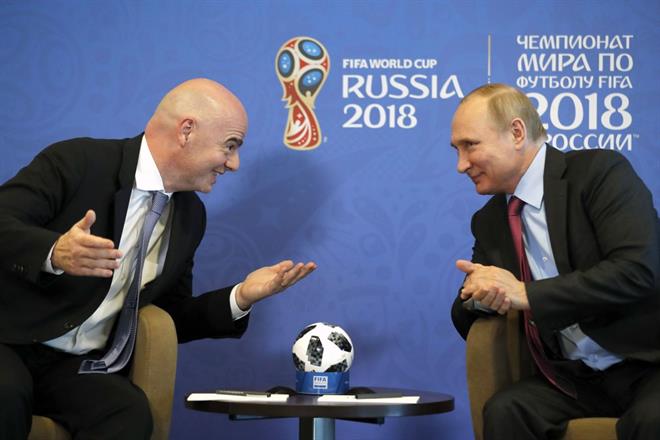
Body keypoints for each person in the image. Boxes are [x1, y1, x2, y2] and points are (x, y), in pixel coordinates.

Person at [0, 78, 316, 439]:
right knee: (5, 394)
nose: (234, 164)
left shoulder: (189, 215)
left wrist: (240, 297)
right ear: (186, 131)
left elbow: (171, 312)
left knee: (128, 414)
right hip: (10, 338)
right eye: (230, 146)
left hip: (73, 366)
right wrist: (54, 251)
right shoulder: (78, 161)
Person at [450, 83, 660, 439]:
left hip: (648, 362)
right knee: (506, 411)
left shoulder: (598, 173)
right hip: (575, 377)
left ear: (517, 133)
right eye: (456, 150)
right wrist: (482, 295)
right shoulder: (490, 220)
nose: (461, 165)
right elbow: (464, 314)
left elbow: (638, 270)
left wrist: (526, 294)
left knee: (651, 421)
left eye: (470, 145)